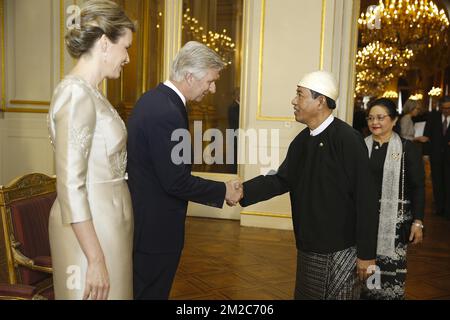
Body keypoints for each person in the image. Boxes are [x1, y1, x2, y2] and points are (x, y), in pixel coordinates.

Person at [240, 71, 379, 300]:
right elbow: (281, 179)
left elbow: (366, 199)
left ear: (320, 100)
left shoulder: (347, 139)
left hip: (340, 250)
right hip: (308, 247)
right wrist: (243, 191)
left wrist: (367, 255)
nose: (294, 101)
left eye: (299, 95)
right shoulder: (302, 141)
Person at [127, 41, 243, 300]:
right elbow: (175, 181)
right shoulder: (165, 111)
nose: (212, 89)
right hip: (155, 230)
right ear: (190, 76)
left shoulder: (158, 100)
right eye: (210, 81)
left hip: (151, 223)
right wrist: (222, 189)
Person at [47, 0, 135, 300]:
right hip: (89, 231)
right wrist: (95, 258)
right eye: (125, 46)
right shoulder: (75, 94)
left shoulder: (92, 93)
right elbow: (70, 185)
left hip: (107, 224)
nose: (127, 57)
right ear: (104, 43)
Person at [361, 98, 425, 300]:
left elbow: (418, 187)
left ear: (394, 120)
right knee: (366, 271)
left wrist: (418, 221)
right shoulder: (360, 147)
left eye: (380, 117)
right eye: (371, 118)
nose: (374, 122)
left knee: (390, 275)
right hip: (365, 221)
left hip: (395, 226)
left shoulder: (407, 149)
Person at [424, 96, 450, 219]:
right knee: (437, 183)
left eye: (449, 108)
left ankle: (448, 210)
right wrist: (426, 154)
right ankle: (439, 208)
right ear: (441, 107)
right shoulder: (433, 117)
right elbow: (426, 135)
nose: (446, 110)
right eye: (444, 108)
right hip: (436, 157)